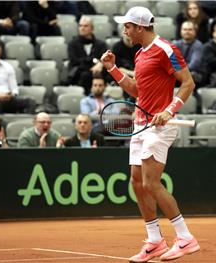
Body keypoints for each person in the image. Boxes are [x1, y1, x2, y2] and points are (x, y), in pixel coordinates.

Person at [101, 6, 200, 262]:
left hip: (161, 126)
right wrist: (113, 69)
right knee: (137, 181)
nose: (125, 31)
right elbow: (137, 91)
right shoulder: (140, 54)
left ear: (140, 27)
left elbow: (188, 83)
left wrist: (169, 111)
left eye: (128, 26)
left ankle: (185, 237)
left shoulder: (166, 49)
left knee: (151, 183)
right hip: (141, 124)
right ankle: (155, 240)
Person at [67, 16, 108, 94]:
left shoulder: (101, 44)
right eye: (80, 26)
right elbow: (75, 61)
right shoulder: (72, 44)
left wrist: (100, 64)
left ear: (92, 28)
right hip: (79, 74)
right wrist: (95, 62)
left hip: (98, 75)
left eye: (85, 26)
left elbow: (106, 58)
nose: (82, 28)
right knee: (85, 75)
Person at [173, 21, 204, 87]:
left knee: (191, 75)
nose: (187, 32)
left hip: (195, 73)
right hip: (179, 73)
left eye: (190, 29)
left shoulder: (198, 45)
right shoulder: (176, 44)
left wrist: (178, 71)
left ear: (194, 32)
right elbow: (172, 62)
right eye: (185, 29)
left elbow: (194, 64)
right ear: (181, 31)